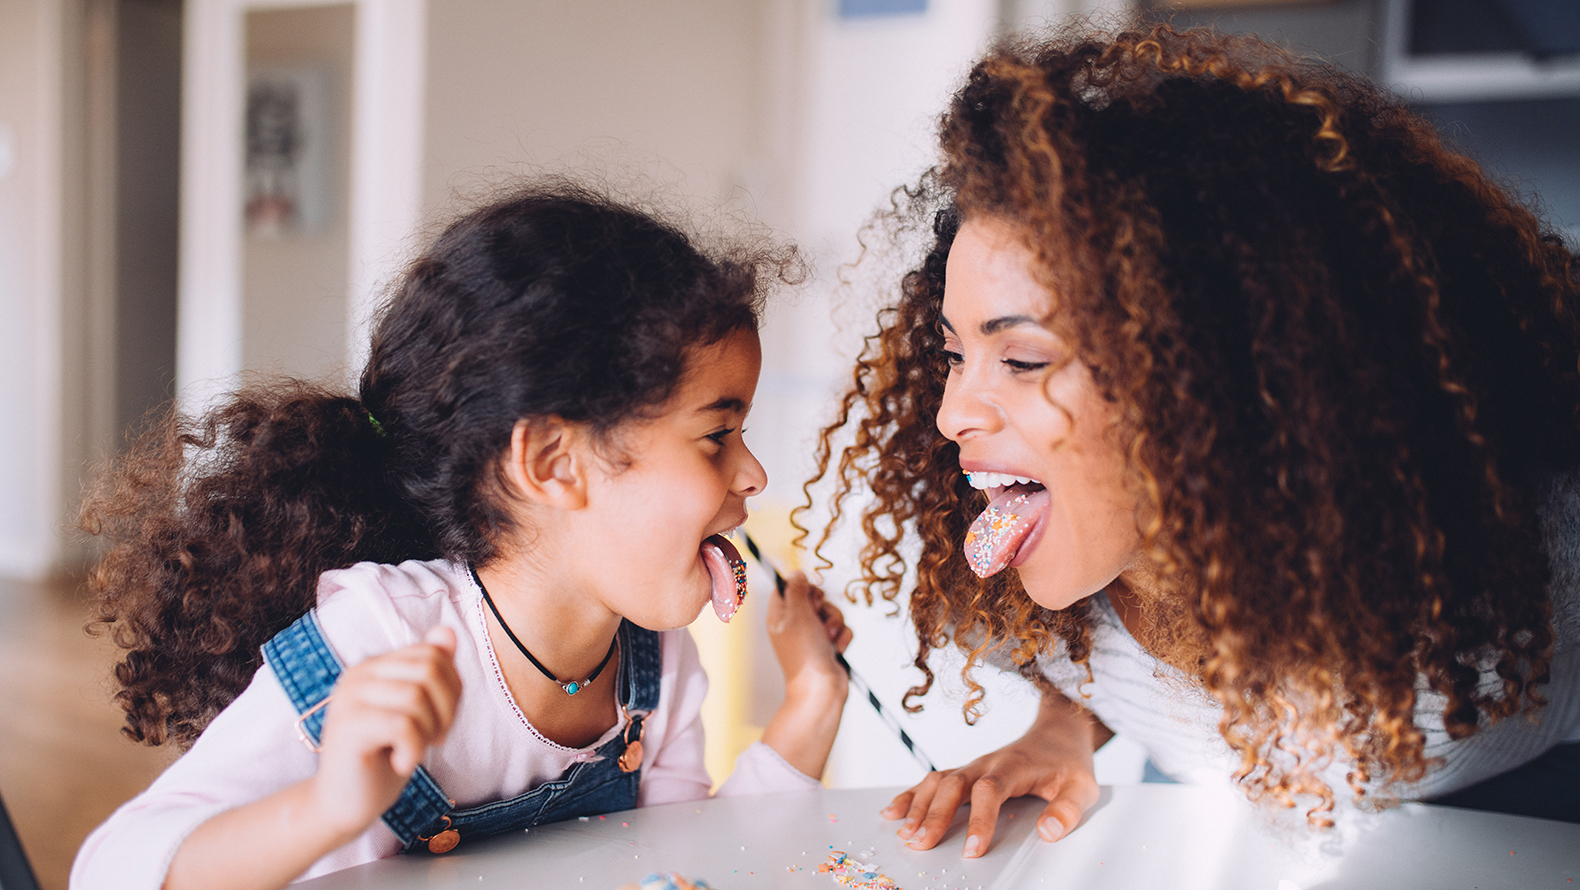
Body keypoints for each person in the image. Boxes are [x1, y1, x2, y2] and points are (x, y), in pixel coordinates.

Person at [804, 22, 1580, 860]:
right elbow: (1085, 672)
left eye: (1023, 357)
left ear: (1207, 375)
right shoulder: (1024, 574)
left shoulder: (1501, 548)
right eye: (954, 355)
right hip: (1232, 813)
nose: (956, 413)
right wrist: (1062, 729)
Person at [71, 181, 852, 890]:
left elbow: (685, 870)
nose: (753, 474)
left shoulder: (657, 664)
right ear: (552, 462)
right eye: (717, 436)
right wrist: (326, 806)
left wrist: (813, 699)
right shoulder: (377, 637)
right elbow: (111, 870)